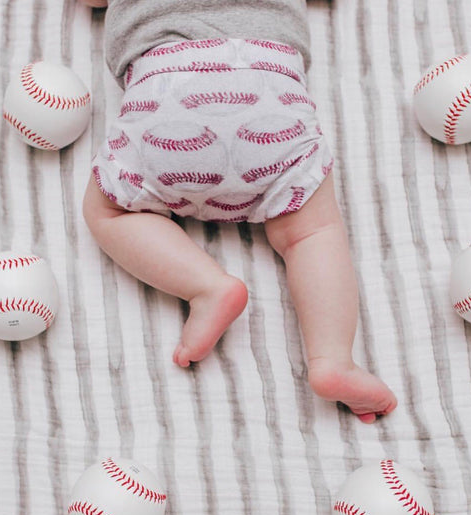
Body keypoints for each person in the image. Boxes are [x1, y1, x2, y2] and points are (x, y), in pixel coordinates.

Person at [80, 0, 397, 423]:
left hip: (166, 94)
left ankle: (207, 286)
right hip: (269, 92)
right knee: (311, 233)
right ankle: (332, 358)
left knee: (108, 211)